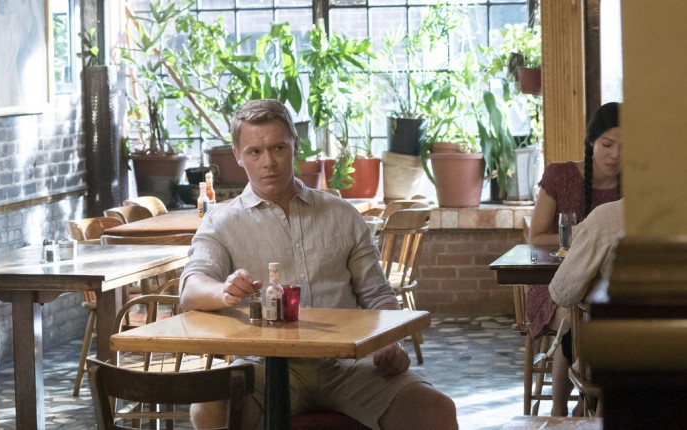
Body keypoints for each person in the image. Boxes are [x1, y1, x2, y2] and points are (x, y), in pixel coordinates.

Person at [179, 99, 458, 430]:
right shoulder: (221, 222)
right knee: (208, 409)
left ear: (295, 146)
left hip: (350, 363)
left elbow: (378, 295)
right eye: (255, 152)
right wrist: (223, 291)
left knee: (437, 410)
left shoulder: (341, 214)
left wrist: (389, 342)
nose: (268, 162)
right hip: (263, 368)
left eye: (278, 147)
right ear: (238, 155)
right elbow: (191, 288)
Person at [527, 102, 622, 416]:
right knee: (577, 315)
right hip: (554, 284)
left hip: (604, 287)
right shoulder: (561, 175)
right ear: (592, 140)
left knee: (602, 315)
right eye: (607, 144)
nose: (615, 155)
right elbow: (536, 236)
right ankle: (561, 409)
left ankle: (586, 404)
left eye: (625, 147)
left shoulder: (634, 188)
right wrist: (583, 237)